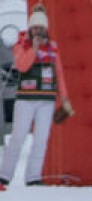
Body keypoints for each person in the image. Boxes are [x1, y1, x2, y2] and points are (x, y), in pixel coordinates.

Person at [0, 5, 73, 188]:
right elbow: (22, 66)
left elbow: (59, 73)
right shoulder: (21, 45)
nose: (38, 31)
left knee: (41, 138)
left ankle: (33, 176)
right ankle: (4, 175)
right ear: (30, 28)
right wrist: (33, 48)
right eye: (35, 28)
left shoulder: (52, 48)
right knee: (18, 137)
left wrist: (63, 96)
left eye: (41, 28)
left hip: (46, 100)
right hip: (25, 99)